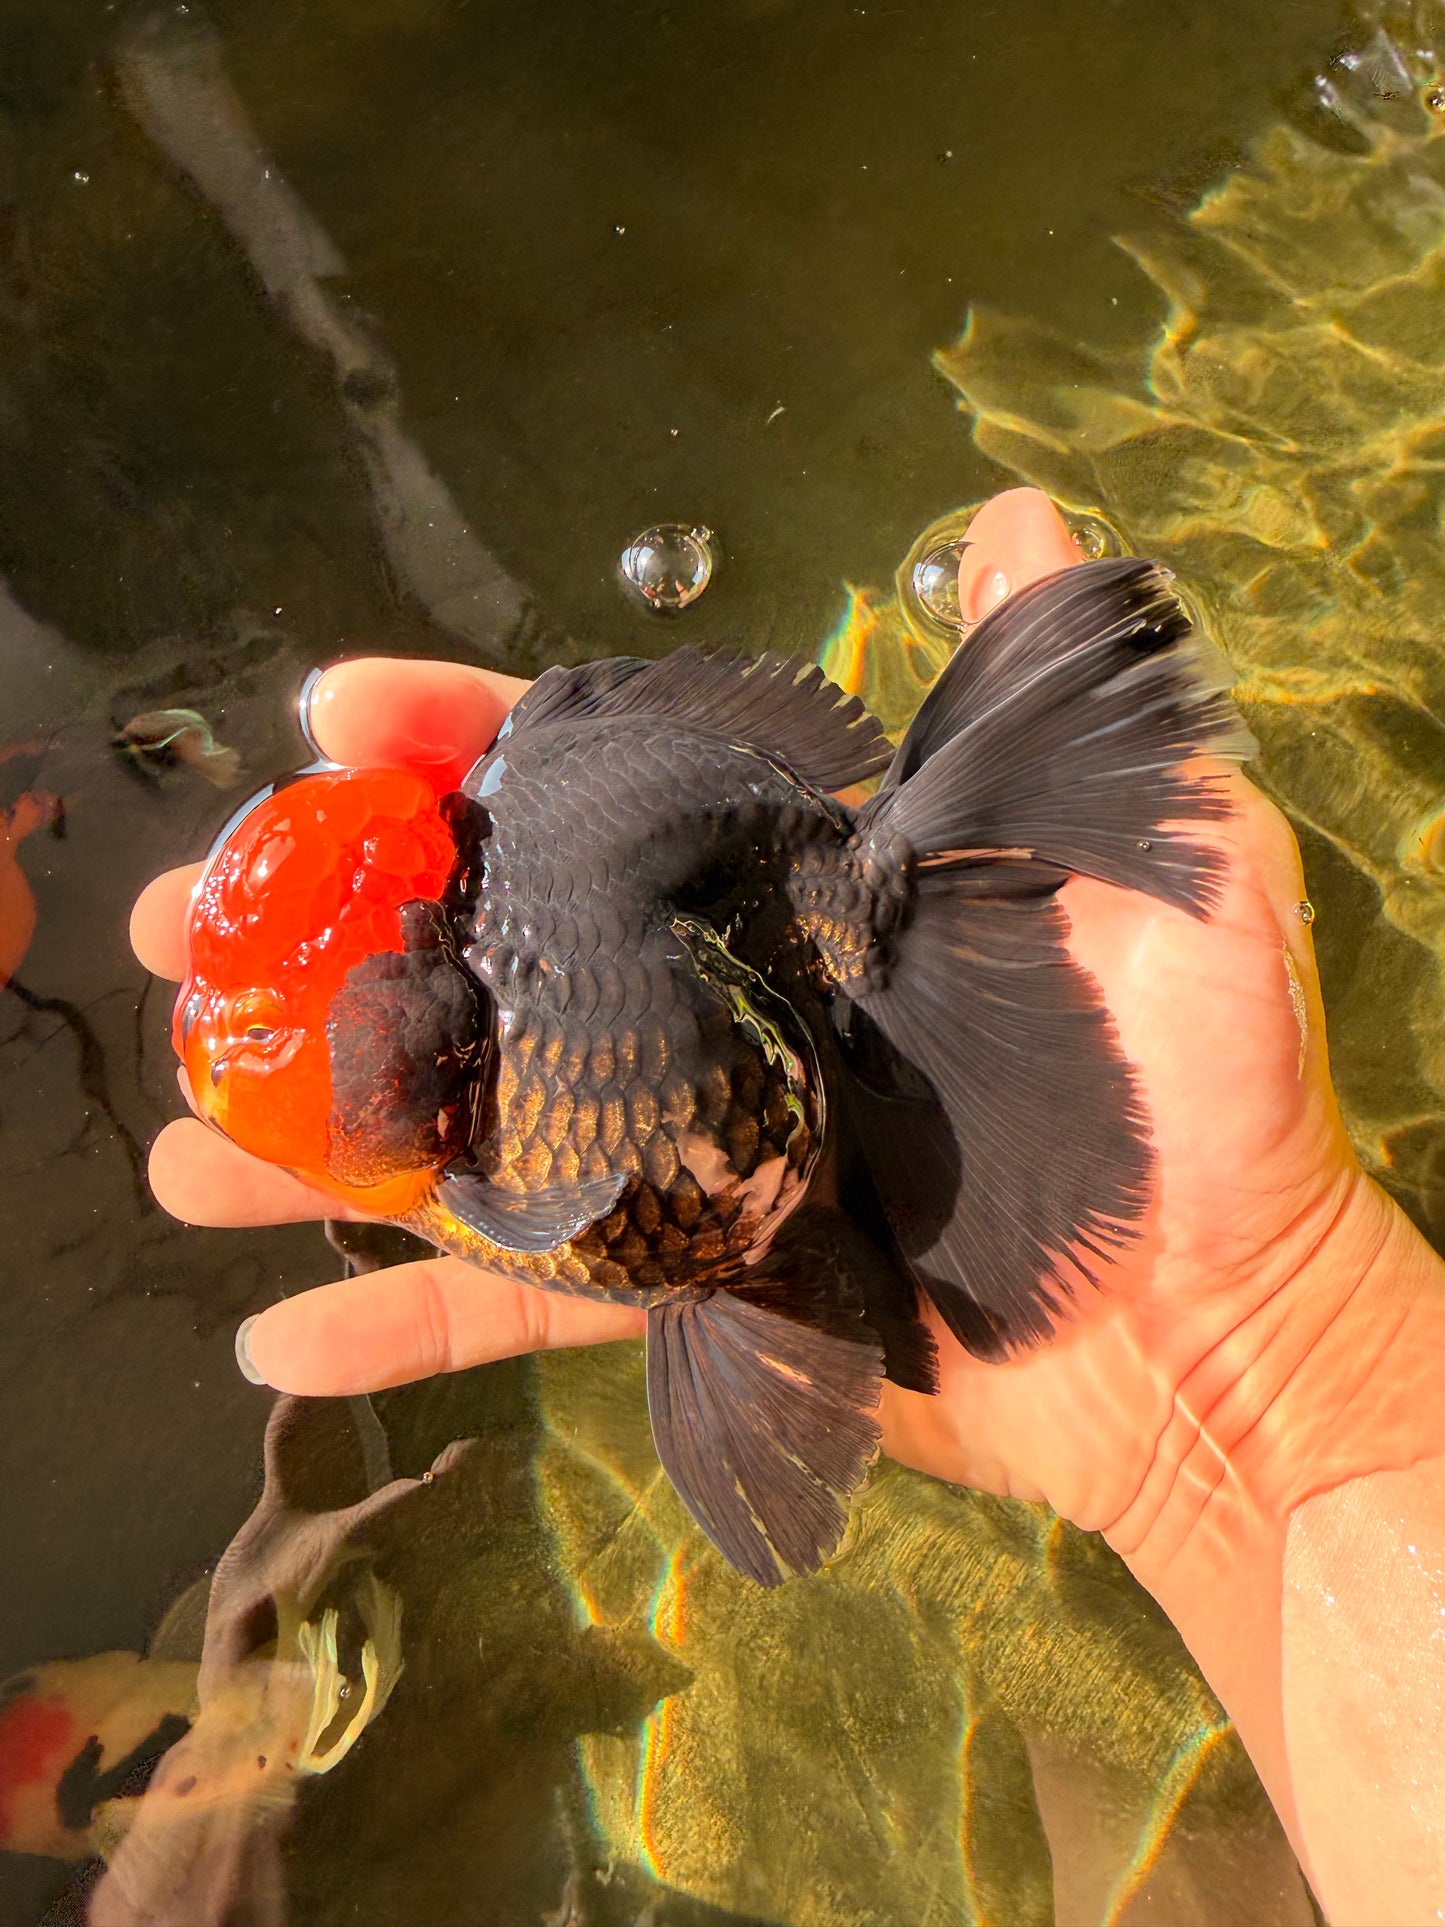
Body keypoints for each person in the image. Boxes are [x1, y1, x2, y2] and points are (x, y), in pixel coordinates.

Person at [131, 488, 1445, 1925]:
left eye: (272, 1030)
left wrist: (1269, 1327)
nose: (240, 1049)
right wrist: (1286, 1370)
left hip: (774, 1048)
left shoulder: (509, 1107)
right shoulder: (487, 1053)